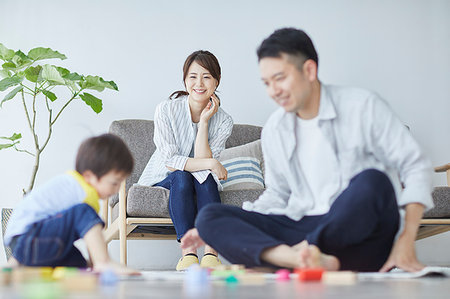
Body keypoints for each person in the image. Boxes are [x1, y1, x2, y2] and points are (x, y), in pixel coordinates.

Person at [181, 28, 433, 272]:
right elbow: (277, 195)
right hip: (303, 226)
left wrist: (406, 241)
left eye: (280, 78)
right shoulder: (276, 128)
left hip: (360, 234)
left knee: (373, 181)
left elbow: (415, 166)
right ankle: (304, 259)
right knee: (209, 217)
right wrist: (222, 226)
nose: (273, 91)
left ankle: (299, 252)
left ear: (309, 70)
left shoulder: (362, 106)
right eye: (267, 83)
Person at [137, 50, 233, 271]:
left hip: (198, 178)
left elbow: (201, 162)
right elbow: (170, 162)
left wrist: (205, 121)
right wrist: (211, 163)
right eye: (193, 76)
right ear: (185, 80)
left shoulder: (224, 120)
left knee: (205, 179)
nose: (199, 83)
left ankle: (211, 254)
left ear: (216, 81)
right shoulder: (166, 109)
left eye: (206, 76)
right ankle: (188, 254)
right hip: (165, 177)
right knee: (181, 176)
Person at [4, 134, 139, 274]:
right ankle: (103, 262)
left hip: (29, 245)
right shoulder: (81, 191)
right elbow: (93, 238)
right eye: (114, 183)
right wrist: (102, 262)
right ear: (89, 177)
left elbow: (91, 242)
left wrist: (93, 265)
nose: (117, 190)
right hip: (27, 241)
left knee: (80, 263)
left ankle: (17, 267)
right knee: (83, 211)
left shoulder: (73, 186)